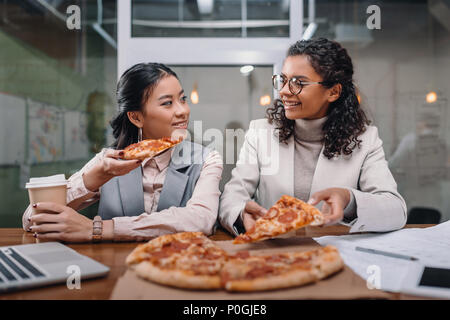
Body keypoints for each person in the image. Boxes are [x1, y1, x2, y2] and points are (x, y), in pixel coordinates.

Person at [219, 38, 407, 236]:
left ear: (333, 92)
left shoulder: (365, 139)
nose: (283, 91)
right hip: (274, 252)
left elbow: (395, 209)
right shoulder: (260, 132)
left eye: (298, 83)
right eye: (283, 80)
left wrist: (348, 199)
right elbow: (232, 196)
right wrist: (241, 214)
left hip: (336, 255)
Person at [22, 63, 223, 242]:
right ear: (136, 117)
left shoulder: (207, 160)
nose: (183, 111)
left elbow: (201, 220)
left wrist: (96, 229)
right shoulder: (109, 160)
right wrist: (95, 177)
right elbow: (32, 218)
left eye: (182, 99)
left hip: (179, 268)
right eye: (167, 103)